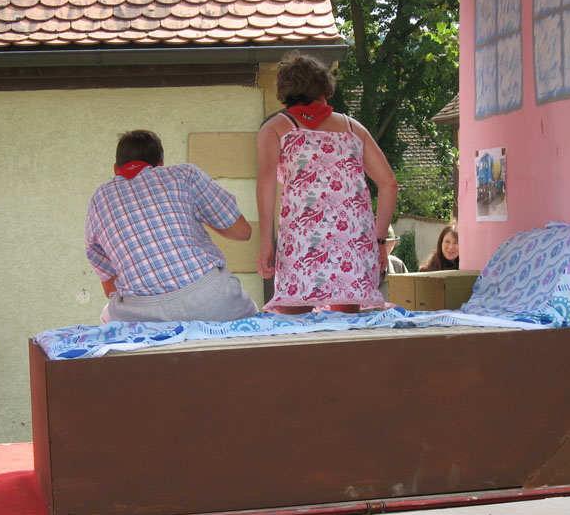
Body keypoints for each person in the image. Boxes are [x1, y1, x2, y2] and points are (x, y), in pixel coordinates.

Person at [255, 52, 399, 314]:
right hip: (352, 239)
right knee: (344, 327)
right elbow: (389, 183)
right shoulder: (354, 129)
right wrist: (378, 242)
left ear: (284, 92)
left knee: (294, 325)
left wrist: (266, 241)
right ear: (324, 89)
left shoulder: (275, 128)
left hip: (303, 239)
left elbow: (266, 180)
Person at [86, 130, 259, 323]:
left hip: (142, 317)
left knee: (107, 316)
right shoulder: (183, 175)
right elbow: (242, 231)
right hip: (212, 301)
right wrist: (200, 215)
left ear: (116, 169)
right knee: (252, 316)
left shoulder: (99, 200)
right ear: (160, 165)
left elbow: (110, 288)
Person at [378, 225, 408, 300]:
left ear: (393, 245)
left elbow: (408, 296)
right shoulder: (356, 268)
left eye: (386, 245)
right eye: (375, 245)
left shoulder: (398, 266)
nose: (380, 250)